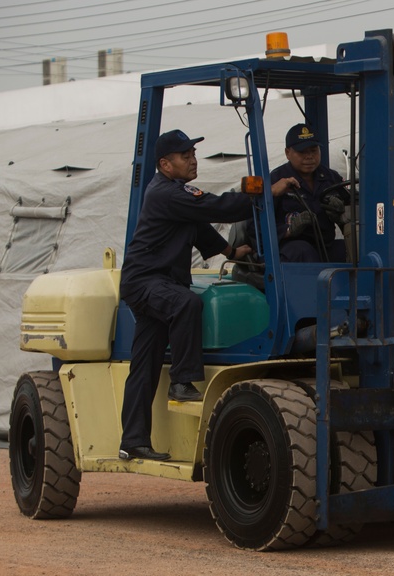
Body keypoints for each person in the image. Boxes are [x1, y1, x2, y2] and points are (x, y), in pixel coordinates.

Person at [118, 129, 298, 461]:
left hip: (155, 282)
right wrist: (268, 192)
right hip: (147, 281)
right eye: (184, 156)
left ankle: (133, 441)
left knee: (144, 365)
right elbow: (218, 207)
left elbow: (200, 228)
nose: (192, 160)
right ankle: (182, 382)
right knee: (187, 303)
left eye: (193, 154)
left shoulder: (175, 196)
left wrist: (232, 249)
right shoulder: (168, 194)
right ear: (165, 164)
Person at [269, 123, 351, 262]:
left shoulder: (331, 178)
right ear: (287, 153)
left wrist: (342, 215)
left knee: (356, 250)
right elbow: (256, 227)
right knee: (303, 251)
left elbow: (355, 206)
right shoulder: (275, 181)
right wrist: (289, 230)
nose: (309, 157)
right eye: (302, 152)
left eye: (313, 150)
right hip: (290, 249)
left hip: (325, 246)